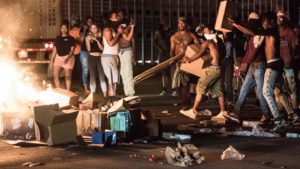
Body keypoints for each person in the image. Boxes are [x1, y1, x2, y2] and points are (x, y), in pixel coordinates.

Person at [226, 12, 271, 123]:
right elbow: (246, 33)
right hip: (254, 66)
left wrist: (245, 64)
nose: (249, 23)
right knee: (244, 90)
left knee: (260, 93)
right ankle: (236, 113)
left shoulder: (259, 33)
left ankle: (267, 114)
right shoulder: (253, 34)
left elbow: (253, 51)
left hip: (259, 66)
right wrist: (236, 24)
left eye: (250, 21)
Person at [179, 25, 228, 120]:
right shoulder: (219, 41)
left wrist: (188, 60)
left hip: (213, 69)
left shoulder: (208, 42)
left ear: (211, 31)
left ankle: (193, 111)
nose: (204, 34)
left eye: (205, 31)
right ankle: (223, 112)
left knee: (200, 86)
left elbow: (199, 53)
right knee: (218, 90)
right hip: (219, 68)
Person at [170, 17, 200, 110]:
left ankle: (185, 104)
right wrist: (171, 60)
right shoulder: (174, 37)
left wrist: (191, 57)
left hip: (186, 61)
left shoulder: (191, 35)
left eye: (182, 23)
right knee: (177, 85)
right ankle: (185, 100)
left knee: (185, 83)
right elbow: (172, 49)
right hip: (177, 62)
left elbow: (199, 47)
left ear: (186, 24)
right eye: (179, 23)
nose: (180, 25)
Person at [277, 11, 300, 119]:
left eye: (281, 18)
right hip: (278, 65)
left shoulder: (290, 32)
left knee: (291, 88)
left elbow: (295, 47)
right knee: (280, 89)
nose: (279, 20)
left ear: (285, 20)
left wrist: (290, 59)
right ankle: (281, 111)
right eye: (278, 18)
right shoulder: (275, 32)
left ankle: (295, 109)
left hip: (288, 65)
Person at [102, 10, 123, 96]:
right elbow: (110, 43)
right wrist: (118, 33)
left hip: (114, 56)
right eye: (115, 16)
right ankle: (111, 99)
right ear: (110, 19)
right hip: (108, 56)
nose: (117, 18)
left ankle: (112, 98)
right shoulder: (107, 29)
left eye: (118, 16)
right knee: (111, 81)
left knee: (114, 81)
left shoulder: (113, 29)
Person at [50, 23, 76, 91]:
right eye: (62, 28)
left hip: (68, 57)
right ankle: (59, 91)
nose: (64, 30)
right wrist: (52, 60)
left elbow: (72, 50)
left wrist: (67, 58)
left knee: (67, 77)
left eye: (65, 28)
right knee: (55, 76)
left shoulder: (71, 38)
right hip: (58, 57)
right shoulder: (57, 38)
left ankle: (68, 91)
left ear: (67, 29)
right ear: (60, 29)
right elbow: (55, 50)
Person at [85, 24, 107, 97]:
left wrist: (97, 40)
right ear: (90, 29)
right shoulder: (88, 37)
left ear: (97, 29)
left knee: (102, 76)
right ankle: (92, 94)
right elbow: (88, 49)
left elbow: (102, 49)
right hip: (91, 57)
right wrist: (88, 40)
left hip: (100, 57)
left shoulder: (101, 37)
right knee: (92, 76)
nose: (94, 30)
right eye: (92, 28)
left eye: (95, 28)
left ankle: (105, 94)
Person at [118, 10, 136, 96]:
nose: (119, 17)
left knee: (128, 72)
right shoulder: (120, 26)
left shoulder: (127, 27)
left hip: (127, 50)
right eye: (118, 15)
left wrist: (133, 53)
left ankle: (131, 92)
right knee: (123, 73)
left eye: (120, 15)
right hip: (121, 51)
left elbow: (130, 39)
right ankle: (127, 92)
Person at [154, 22, 170, 95]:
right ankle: (164, 88)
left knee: (170, 71)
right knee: (163, 71)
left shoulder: (169, 32)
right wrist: (160, 49)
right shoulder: (158, 32)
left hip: (169, 53)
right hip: (162, 54)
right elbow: (154, 42)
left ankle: (174, 89)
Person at [79, 16, 94, 94]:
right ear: (86, 23)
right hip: (84, 52)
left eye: (91, 21)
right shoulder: (83, 29)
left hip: (93, 52)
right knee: (85, 70)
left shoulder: (94, 30)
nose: (90, 23)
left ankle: (92, 87)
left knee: (92, 70)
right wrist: (84, 29)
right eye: (88, 21)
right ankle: (85, 87)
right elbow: (81, 40)